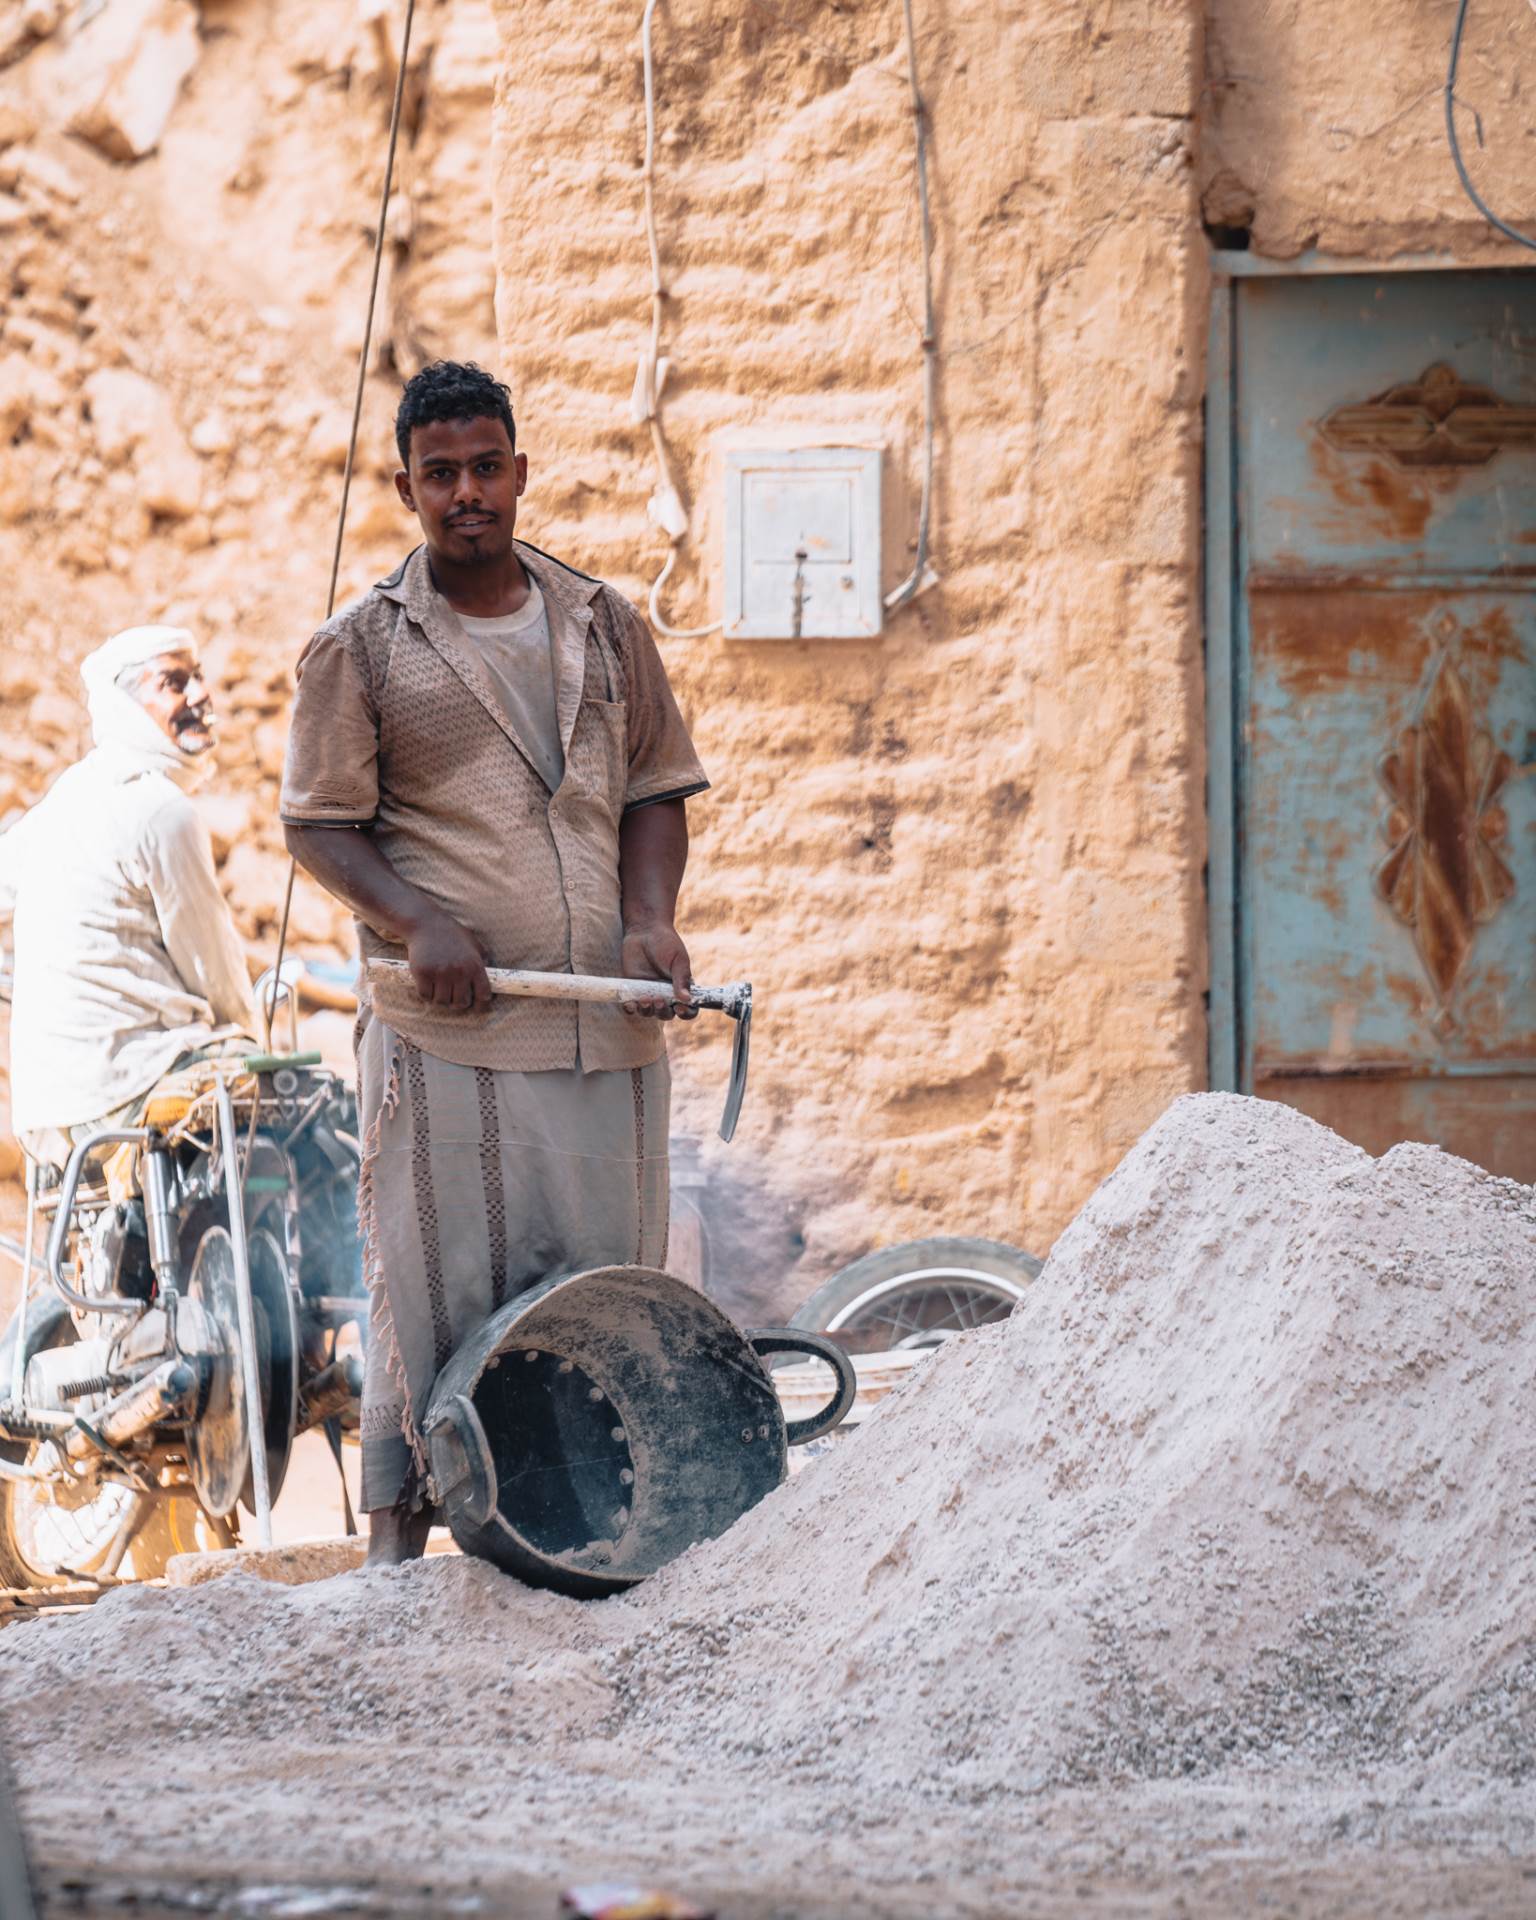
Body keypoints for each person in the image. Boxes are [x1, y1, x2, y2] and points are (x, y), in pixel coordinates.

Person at [281, 360, 709, 1566]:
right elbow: (317, 822)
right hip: (451, 1033)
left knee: (602, 1286)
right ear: (406, 487)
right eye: (440, 475)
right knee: (438, 1286)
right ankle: (397, 1551)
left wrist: (649, 918)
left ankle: (587, 1540)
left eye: (486, 468)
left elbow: (657, 790)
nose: (467, 493)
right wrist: (418, 920)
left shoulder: (603, 621)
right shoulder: (360, 645)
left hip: (606, 1022)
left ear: (521, 472)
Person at [0, 626, 256, 1168]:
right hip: (129, 1085)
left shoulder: (68, 795)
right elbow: (213, 972)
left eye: (199, 677)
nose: (200, 696)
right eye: (174, 683)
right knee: (311, 1112)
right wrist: (256, 1042)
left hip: (49, 1114)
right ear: (125, 706)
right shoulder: (161, 809)